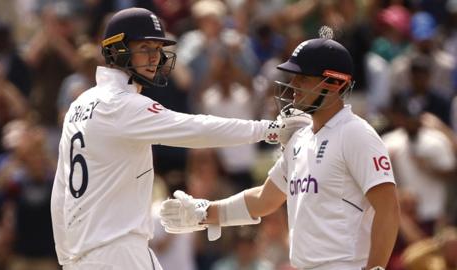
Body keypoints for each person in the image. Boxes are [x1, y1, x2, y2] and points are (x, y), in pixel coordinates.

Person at [50, 7, 307, 270]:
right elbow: (197, 129)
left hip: (83, 256)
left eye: (158, 49)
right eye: (145, 48)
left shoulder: (79, 105)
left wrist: (67, 257)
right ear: (117, 50)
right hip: (121, 252)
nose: (155, 58)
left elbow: (61, 191)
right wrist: (269, 130)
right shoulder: (122, 105)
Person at [160, 34, 401, 270]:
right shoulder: (300, 137)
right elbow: (265, 199)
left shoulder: (356, 134)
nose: (293, 86)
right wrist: (205, 213)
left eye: (303, 78)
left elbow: (388, 207)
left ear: (334, 83)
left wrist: (376, 267)